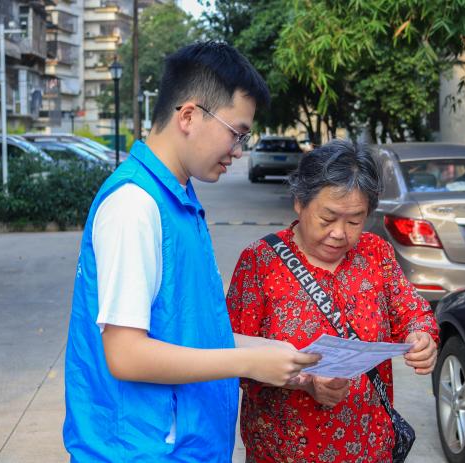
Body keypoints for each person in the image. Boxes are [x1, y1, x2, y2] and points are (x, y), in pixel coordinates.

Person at [63, 41, 320, 462]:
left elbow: (190, 332)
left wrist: (275, 354)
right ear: (188, 116)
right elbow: (126, 355)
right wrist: (247, 364)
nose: (239, 150)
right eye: (236, 132)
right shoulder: (134, 205)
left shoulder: (177, 200)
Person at [227, 139, 439, 463]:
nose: (340, 233)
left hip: (370, 448)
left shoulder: (375, 252)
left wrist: (421, 336)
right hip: (284, 452)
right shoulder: (261, 262)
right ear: (300, 203)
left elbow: (412, 311)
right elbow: (228, 355)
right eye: (327, 218)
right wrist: (304, 383)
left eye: (354, 221)